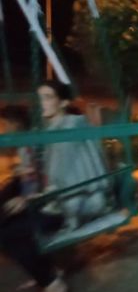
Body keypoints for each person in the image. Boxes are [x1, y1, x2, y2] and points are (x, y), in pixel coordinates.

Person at [0, 105, 68, 292]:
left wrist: (26, 198)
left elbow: (49, 182)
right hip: (40, 202)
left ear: (15, 125)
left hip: (54, 209)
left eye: (4, 125)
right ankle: (49, 275)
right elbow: (30, 177)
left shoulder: (34, 146)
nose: (2, 131)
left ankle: (52, 283)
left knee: (7, 236)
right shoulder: (25, 146)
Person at [36, 80, 109, 231]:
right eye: (40, 98)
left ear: (63, 103)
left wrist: (38, 197)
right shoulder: (57, 129)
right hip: (69, 199)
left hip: (78, 204)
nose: (42, 103)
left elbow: (62, 176)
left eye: (48, 97)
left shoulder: (68, 130)